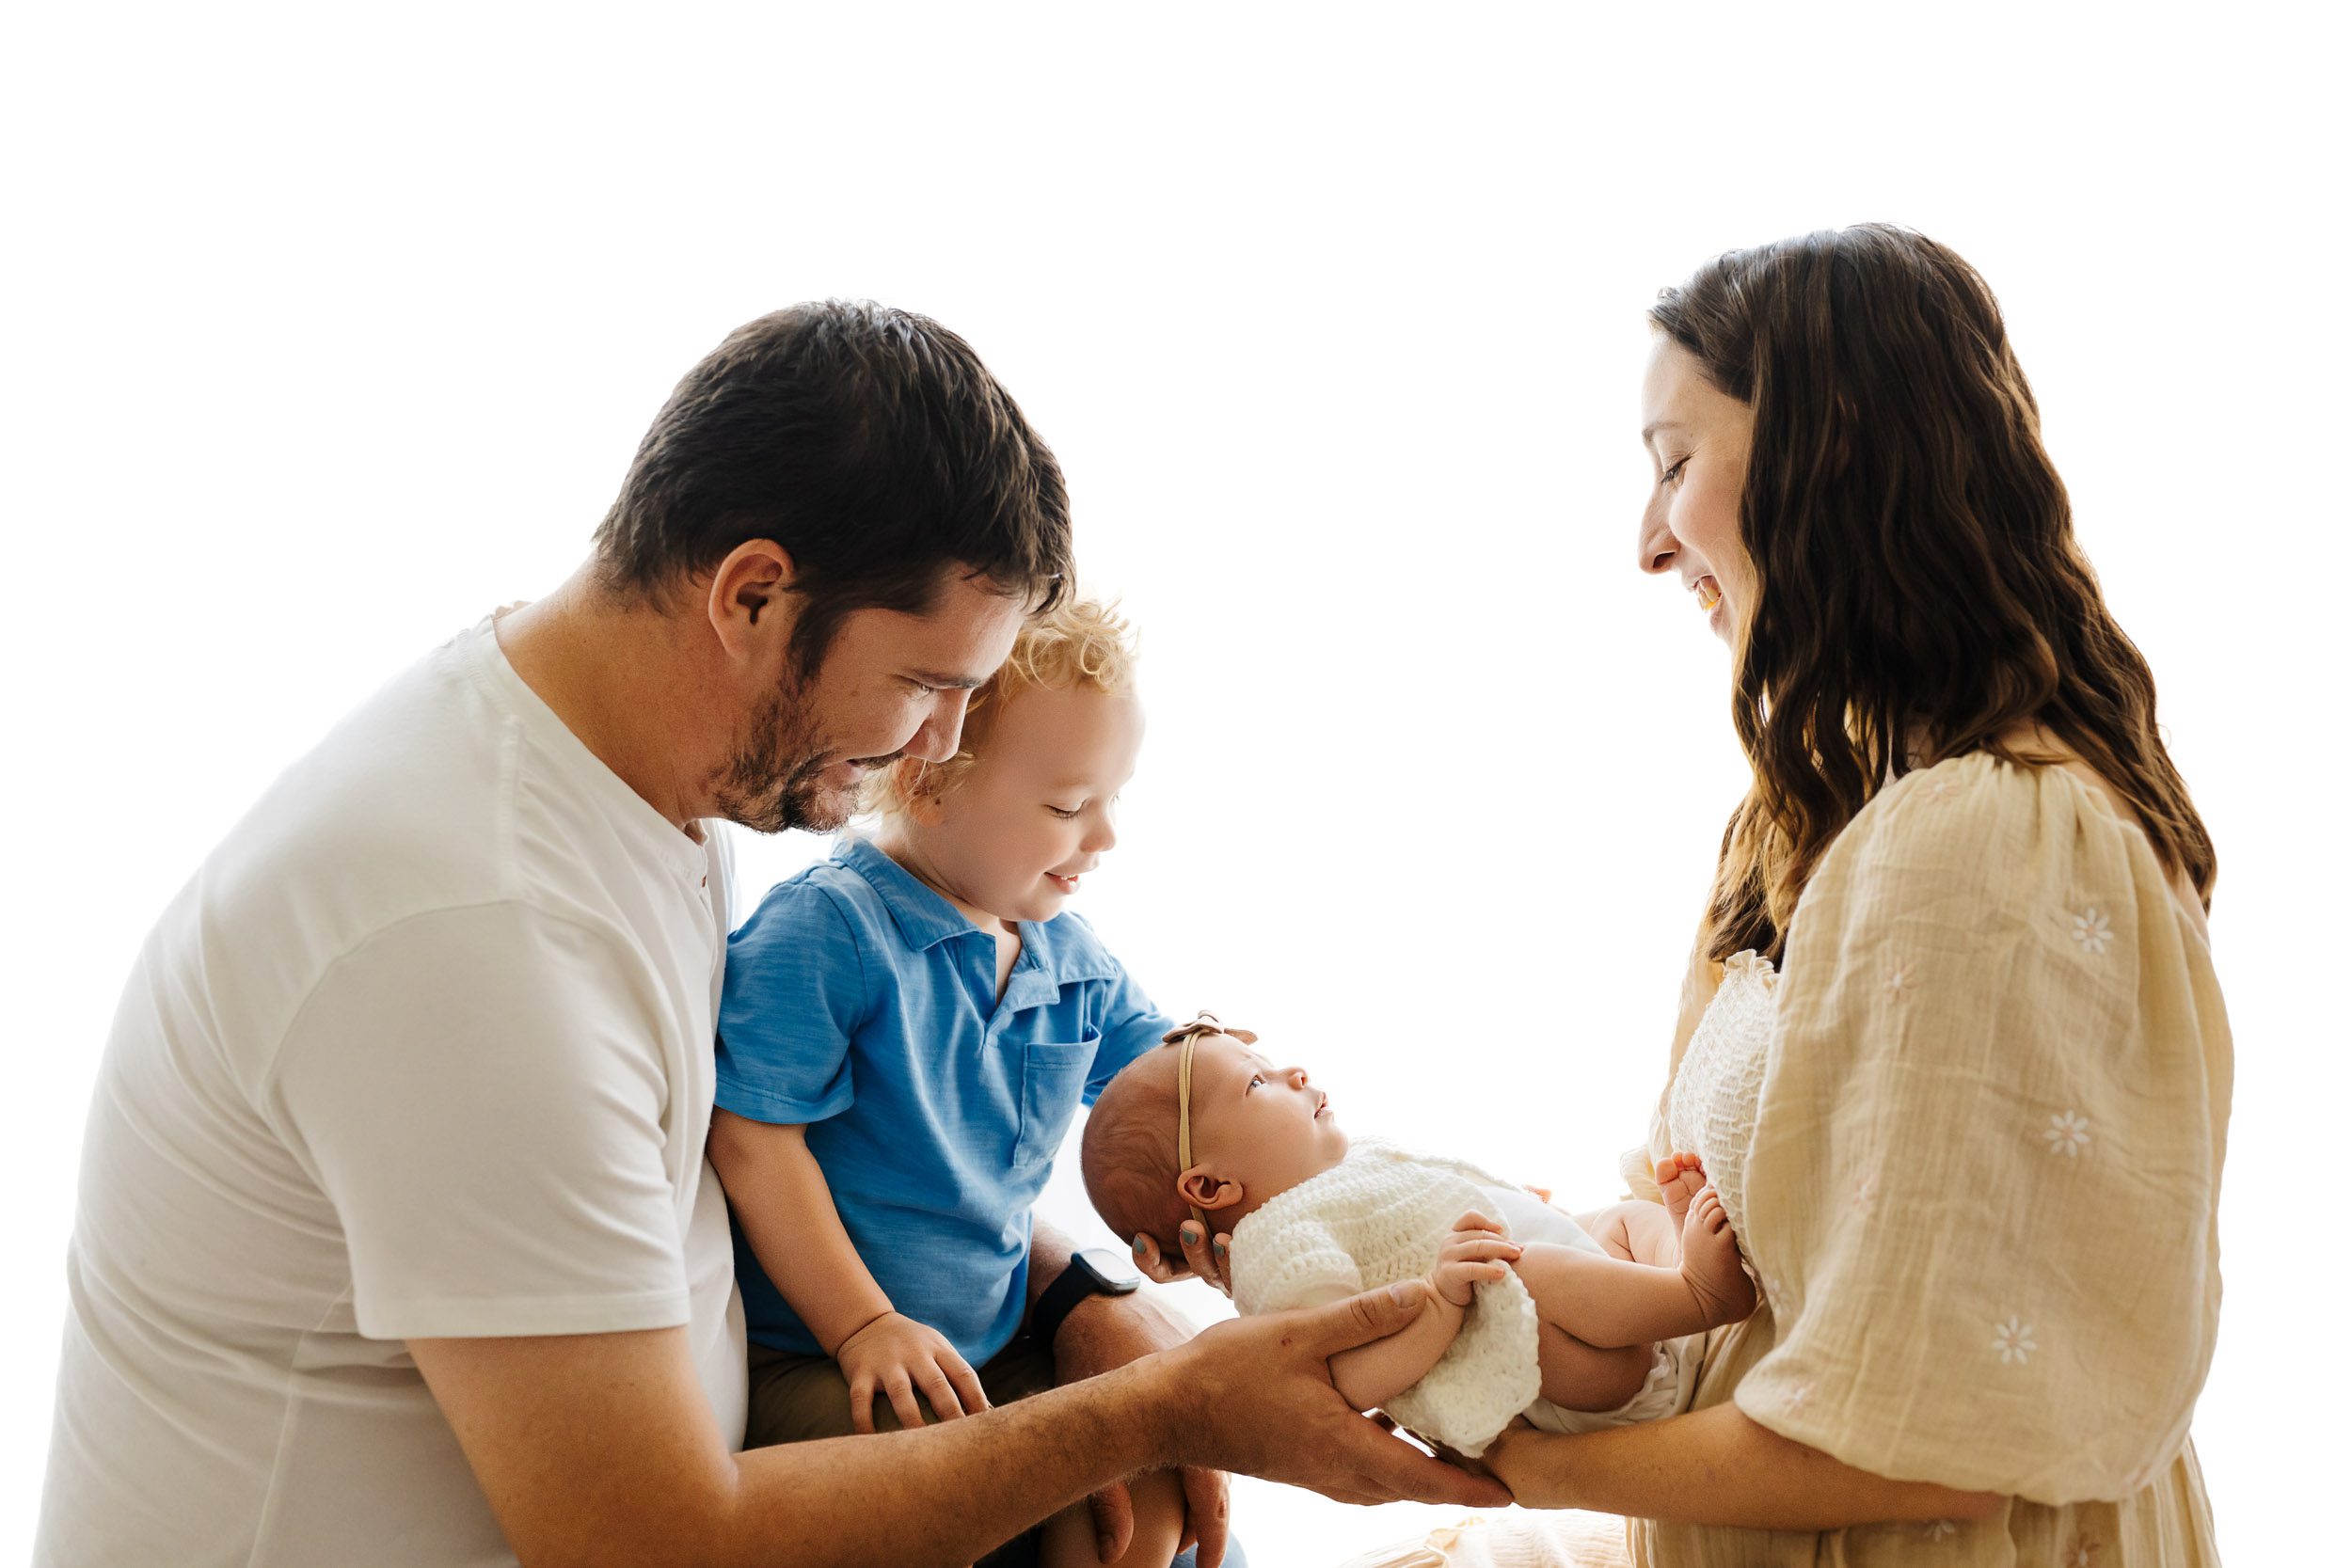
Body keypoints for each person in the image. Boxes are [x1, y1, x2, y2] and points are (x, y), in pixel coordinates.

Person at [34, 301, 1503, 1568]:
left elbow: (819, 1140)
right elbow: (649, 1540)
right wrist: (1163, 1406)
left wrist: (1079, 1299)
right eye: (931, 684)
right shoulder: (476, 931)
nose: (942, 740)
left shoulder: (617, 780)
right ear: (752, 592)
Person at [1463, 226, 2229, 1562]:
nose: (1649, 541)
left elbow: (1910, 1433)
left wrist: (1511, 1470)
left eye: (1674, 462)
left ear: (1831, 448)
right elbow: (1715, 1268)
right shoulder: (1799, 827)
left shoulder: (1986, 840)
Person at [712, 599, 1200, 1566]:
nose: (1102, 835)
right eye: (1067, 806)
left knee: (1142, 1495)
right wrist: (863, 1323)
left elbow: (1173, 1082)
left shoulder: (1068, 956)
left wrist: (1258, 1123)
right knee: (962, 1482)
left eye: (1112, 797)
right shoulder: (830, 929)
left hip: (993, 1344)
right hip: (820, 1349)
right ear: (926, 781)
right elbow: (750, 1142)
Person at [1085, 1017, 1753, 1462]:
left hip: (1591, 1311)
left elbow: (1430, 1201)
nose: (1291, 1071)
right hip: (1585, 1380)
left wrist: (1512, 1201)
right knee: (1536, 1271)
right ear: (1209, 1189)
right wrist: (1439, 1301)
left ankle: (1671, 1260)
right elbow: (1344, 1377)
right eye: (1255, 1081)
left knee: (1610, 1221)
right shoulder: (1276, 1250)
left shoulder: (1342, 1166)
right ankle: (1699, 1294)